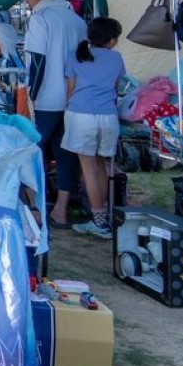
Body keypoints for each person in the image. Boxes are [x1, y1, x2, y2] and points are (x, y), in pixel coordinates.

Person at [18, 0, 88, 229]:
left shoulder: (41, 19)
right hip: (72, 98)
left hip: (45, 99)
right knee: (65, 154)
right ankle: (60, 210)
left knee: (28, 152)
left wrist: (30, 98)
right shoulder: (76, 20)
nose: (27, 0)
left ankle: (35, 207)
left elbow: (37, 61)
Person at [63, 18, 126, 239]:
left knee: (88, 170)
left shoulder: (75, 56)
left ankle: (98, 221)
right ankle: (103, 217)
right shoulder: (116, 58)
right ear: (110, 40)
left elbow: (70, 90)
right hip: (108, 117)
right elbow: (116, 88)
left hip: (81, 115)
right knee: (101, 167)